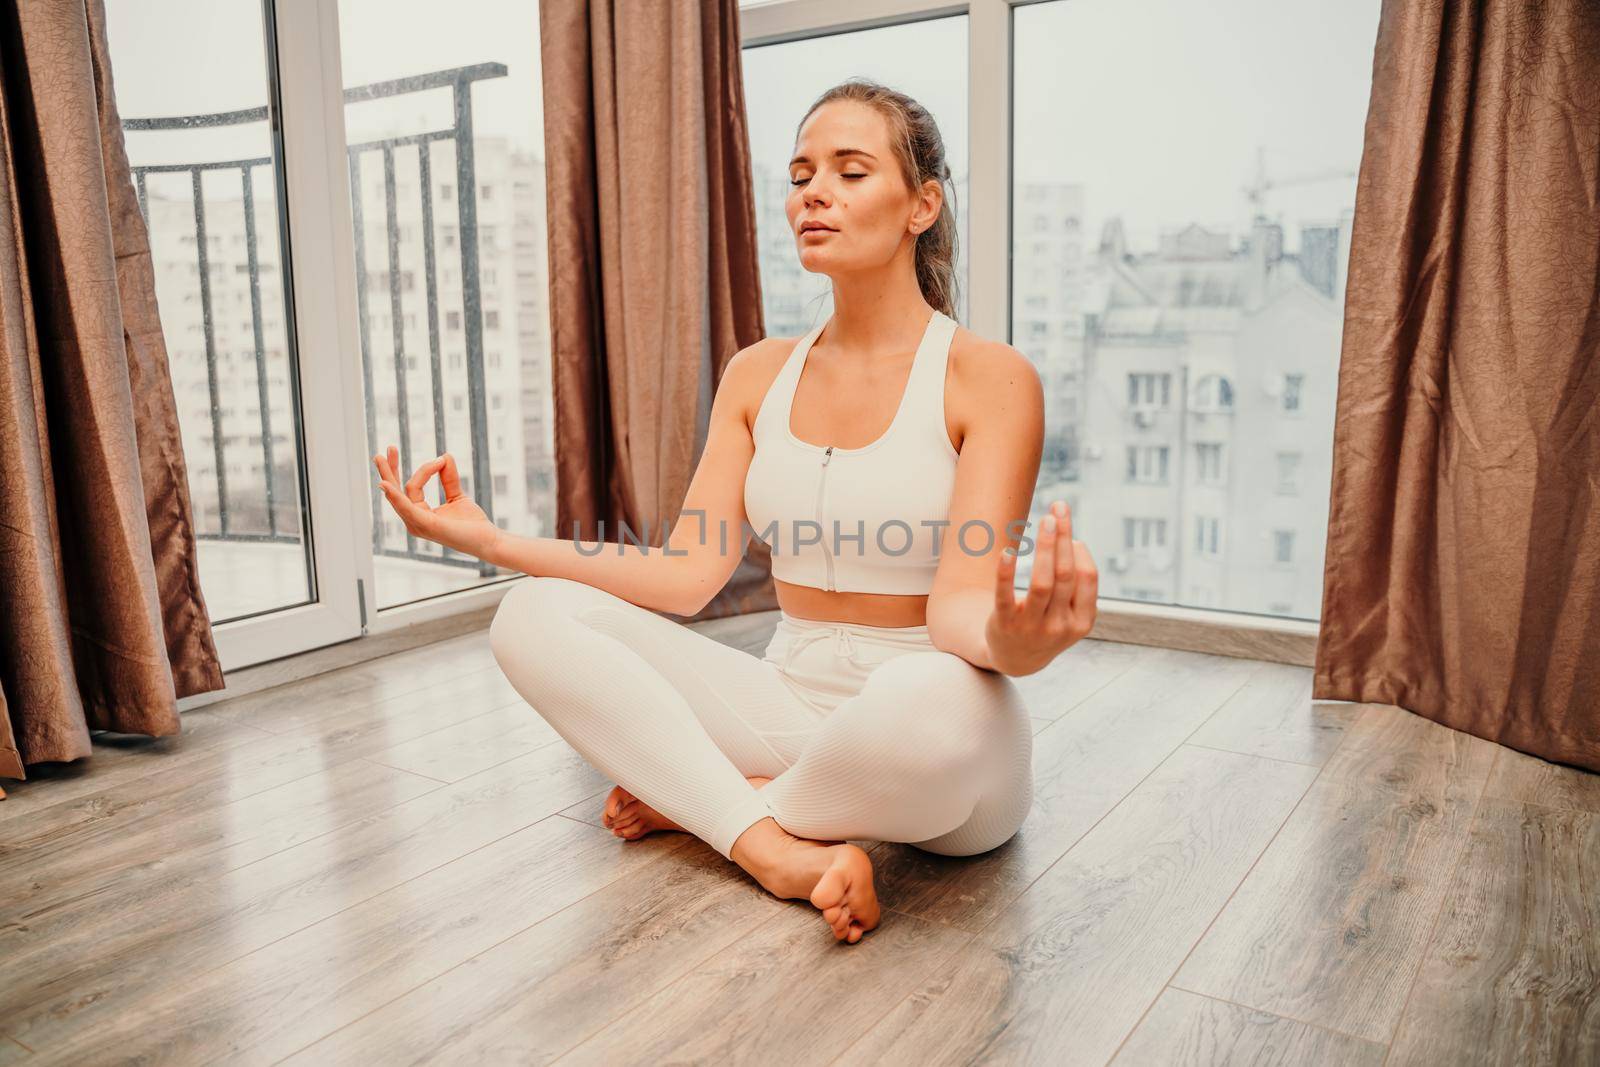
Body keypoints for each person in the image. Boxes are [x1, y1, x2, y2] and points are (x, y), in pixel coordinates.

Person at [371, 78, 1098, 945]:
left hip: (941, 747)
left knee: (930, 694)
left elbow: (957, 612)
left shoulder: (989, 376)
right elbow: (687, 575)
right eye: (800, 174)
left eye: (851, 171)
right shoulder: (757, 373)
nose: (813, 193)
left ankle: (718, 804)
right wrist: (497, 541)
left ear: (922, 205)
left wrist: (1019, 643)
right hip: (786, 701)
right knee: (531, 613)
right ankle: (773, 847)